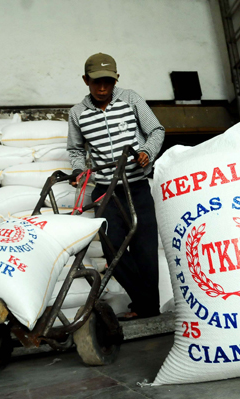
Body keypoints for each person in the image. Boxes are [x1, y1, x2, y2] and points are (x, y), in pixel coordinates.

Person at [67, 53, 165, 320]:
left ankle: (147, 308)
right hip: (107, 191)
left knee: (144, 249)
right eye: (96, 82)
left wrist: (146, 151)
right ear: (86, 80)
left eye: (108, 82)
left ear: (116, 80)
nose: (102, 89)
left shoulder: (131, 99)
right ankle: (146, 304)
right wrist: (78, 170)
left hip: (136, 187)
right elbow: (75, 149)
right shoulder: (77, 114)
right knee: (114, 249)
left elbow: (156, 130)